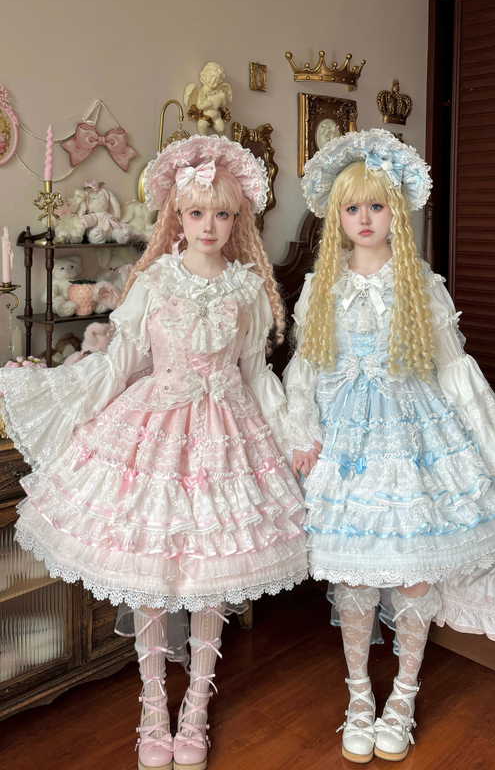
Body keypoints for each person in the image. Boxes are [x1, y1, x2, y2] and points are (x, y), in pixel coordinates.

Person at [0, 134, 308, 770]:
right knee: (151, 573)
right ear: (177, 215)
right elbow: (120, 364)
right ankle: (151, 704)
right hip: (157, 432)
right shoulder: (154, 281)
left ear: (237, 219)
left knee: (212, 573)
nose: (208, 226)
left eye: (221, 214)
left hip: (226, 442)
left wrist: (292, 437)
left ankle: (196, 702)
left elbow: (257, 375)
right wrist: (74, 412)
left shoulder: (249, 288)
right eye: (196, 212)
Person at [283, 128, 495, 763]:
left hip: (412, 433)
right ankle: (358, 695)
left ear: (396, 210)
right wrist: (302, 434)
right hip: (347, 444)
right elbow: (304, 371)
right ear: (337, 217)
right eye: (352, 208)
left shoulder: (421, 282)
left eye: (377, 205)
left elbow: (454, 369)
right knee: (354, 576)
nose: (365, 219)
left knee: (415, 572)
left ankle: (403, 695)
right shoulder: (321, 285)